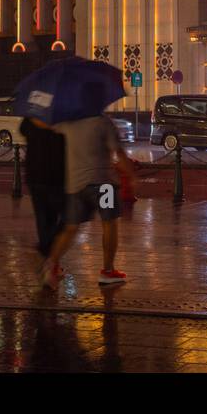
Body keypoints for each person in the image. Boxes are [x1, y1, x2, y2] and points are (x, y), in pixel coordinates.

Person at [41, 114, 136, 289]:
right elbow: (118, 152)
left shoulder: (69, 121)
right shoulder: (104, 122)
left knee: (71, 227)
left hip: (76, 184)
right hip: (103, 184)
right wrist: (131, 174)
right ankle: (108, 271)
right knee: (109, 224)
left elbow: (47, 124)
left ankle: (51, 264)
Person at [20, 117, 66, 262]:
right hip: (56, 174)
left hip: (35, 172)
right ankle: (48, 250)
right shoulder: (63, 118)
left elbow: (23, 130)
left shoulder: (32, 116)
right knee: (67, 216)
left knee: (43, 217)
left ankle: (47, 252)